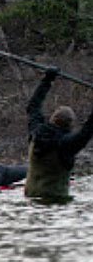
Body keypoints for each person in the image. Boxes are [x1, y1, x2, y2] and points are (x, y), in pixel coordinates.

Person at [25, 67, 93, 201]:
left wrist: (47, 80)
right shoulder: (68, 144)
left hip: (31, 198)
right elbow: (88, 129)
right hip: (56, 199)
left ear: (52, 118)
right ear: (70, 124)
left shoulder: (36, 133)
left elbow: (33, 106)